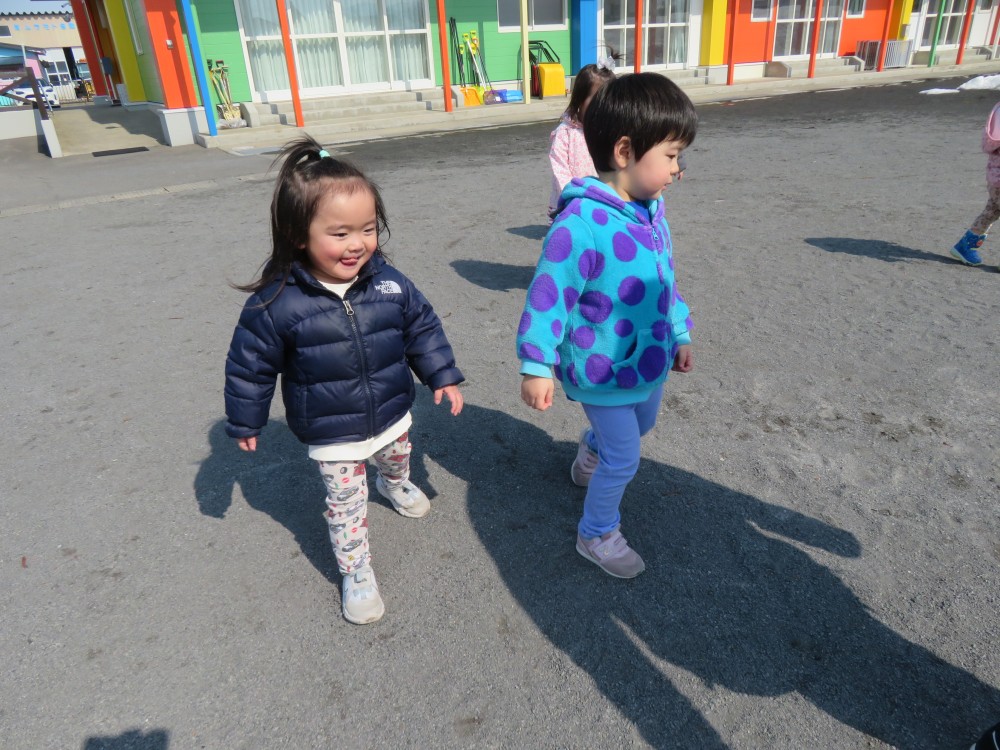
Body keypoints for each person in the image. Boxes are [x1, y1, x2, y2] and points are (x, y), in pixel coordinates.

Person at [224, 136, 464, 625]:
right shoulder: (277, 302)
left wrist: (441, 374)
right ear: (298, 235)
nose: (358, 244)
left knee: (398, 456)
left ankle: (395, 484)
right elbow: (250, 364)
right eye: (340, 233)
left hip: (392, 410)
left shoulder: (388, 282)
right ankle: (356, 572)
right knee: (346, 504)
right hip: (331, 430)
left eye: (368, 229)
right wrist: (246, 419)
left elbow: (421, 327)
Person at [517, 73, 697, 578]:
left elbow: (664, 280)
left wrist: (679, 330)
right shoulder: (580, 224)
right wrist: (536, 364)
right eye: (671, 155)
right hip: (600, 367)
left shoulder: (651, 214)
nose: (678, 169)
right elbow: (548, 296)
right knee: (626, 456)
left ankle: (592, 448)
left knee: (641, 426)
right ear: (624, 151)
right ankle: (596, 532)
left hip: (647, 358)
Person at [547, 56, 618, 221]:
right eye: (596, 100)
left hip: (603, 198)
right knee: (571, 231)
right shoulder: (565, 132)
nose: (602, 107)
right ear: (580, 99)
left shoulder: (610, 130)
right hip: (572, 200)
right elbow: (560, 169)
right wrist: (572, 196)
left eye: (608, 101)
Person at [951, 100, 1000, 266]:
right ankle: (965, 247)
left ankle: (965, 247)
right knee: (991, 211)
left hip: (995, 177)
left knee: (991, 211)